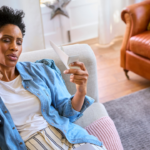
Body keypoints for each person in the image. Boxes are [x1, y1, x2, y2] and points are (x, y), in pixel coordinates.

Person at [0, 6, 108, 150]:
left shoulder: (40, 71)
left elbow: (66, 112)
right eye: (7, 40)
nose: (14, 47)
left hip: (69, 138)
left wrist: (81, 90)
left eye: (19, 42)